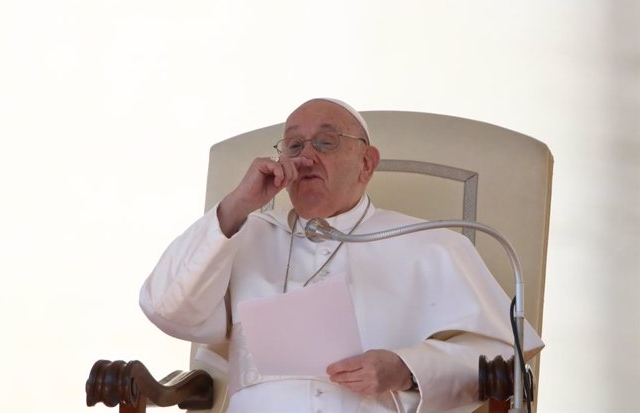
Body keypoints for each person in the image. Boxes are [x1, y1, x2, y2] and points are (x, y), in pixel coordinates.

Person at [140, 98, 543, 413]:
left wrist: (406, 368)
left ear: (367, 164)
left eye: (326, 142)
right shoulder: (241, 234)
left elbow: (505, 360)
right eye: (294, 145)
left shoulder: (429, 242)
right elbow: (165, 308)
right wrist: (236, 205)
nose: (306, 156)